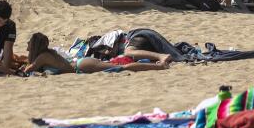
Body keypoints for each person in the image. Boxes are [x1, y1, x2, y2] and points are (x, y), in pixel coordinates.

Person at [23, 32, 168, 75]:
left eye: (29, 42)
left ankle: (160, 67)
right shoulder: (47, 54)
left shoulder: (42, 57)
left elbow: (28, 69)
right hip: (82, 64)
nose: (27, 44)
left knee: (122, 68)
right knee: (118, 66)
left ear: (35, 45)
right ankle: (156, 65)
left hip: (82, 66)